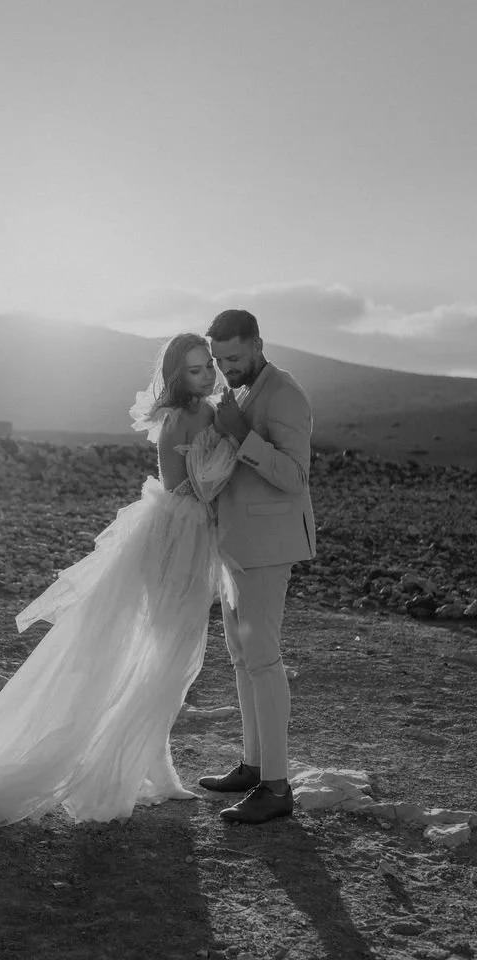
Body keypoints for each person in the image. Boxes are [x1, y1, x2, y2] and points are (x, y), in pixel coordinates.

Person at [0, 333, 237, 845]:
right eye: (194, 369)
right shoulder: (177, 420)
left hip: (198, 537)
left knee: (171, 660)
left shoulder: (214, 412)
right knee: (163, 658)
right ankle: (116, 771)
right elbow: (180, 486)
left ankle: (153, 768)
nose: (206, 375)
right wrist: (215, 479)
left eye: (208, 365)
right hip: (173, 540)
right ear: (176, 375)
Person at [198, 309, 316, 824]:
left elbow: (294, 475)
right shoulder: (240, 391)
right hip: (234, 545)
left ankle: (276, 786)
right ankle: (252, 765)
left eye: (234, 357)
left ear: (258, 344)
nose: (226, 369)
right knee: (241, 657)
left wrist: (241, 436)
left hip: (268, 547)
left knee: (263, 660)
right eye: (219, 360)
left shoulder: (284, 393)